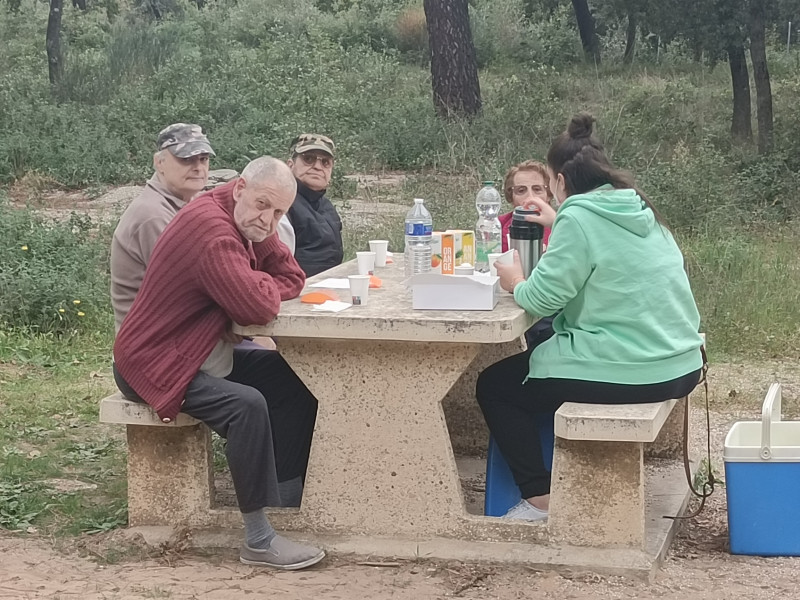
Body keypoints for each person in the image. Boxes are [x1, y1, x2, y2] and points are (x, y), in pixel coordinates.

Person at [477, 112, 704, 522]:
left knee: (495, 385)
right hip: (683, 362)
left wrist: (513, 280)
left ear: (560, 181)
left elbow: (542, 300)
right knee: (538, 356)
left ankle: (538, 501)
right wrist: (557, 221)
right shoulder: (638, 209)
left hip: (636, 369)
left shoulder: (578, 219)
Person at [113, 157, 323, 570]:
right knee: (247, 405)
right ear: (241, 187)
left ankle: (283, 502)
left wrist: (256, 278)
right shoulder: (212, 232)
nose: (269, 220)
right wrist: (257, 284)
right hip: (153, 362)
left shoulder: (243, 215)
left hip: (199, 350)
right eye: (264, 205)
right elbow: (256, 305)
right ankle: (259, 540)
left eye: (279, 212)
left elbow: (291, 275)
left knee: (294, 383)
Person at [110, 123, 214, 332]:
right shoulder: (154, 215)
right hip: (154, 345)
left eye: (203, 159)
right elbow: (198, 288)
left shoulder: (184, 203)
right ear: (159, 163)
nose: (198, 167)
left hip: (177, 331)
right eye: (186, 159)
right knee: (273, 360)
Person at [285, 133, 343, 276]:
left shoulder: (327, 206)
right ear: (290, 165)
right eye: (308, 159)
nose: (318, 167)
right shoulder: (282, 204)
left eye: (325, 162)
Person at [499, 160, 553, 252]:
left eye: (537, 189)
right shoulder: (497, 227)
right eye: (521, 190)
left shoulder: (562, 226)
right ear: (511, 197)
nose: (530, 197)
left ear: (548, 195)